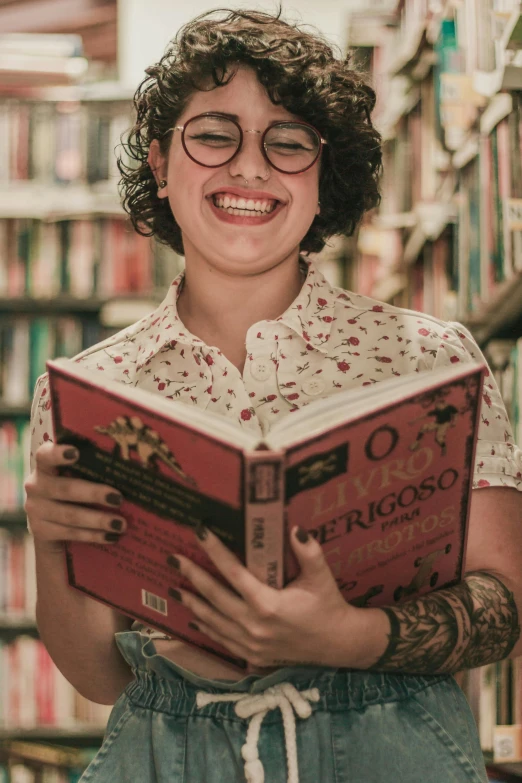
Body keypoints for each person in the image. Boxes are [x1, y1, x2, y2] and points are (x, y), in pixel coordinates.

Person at [24, 8, 522, 783]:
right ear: (161, 164)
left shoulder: (431, 360)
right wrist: (50, 535)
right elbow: (97, 675)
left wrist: (346, 637)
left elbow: (505, 607)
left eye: (288, 142)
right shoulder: (91, 393)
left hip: (392, 745)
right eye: (215, 135)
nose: (250, 168)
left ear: (324, 180)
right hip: (169, 752)